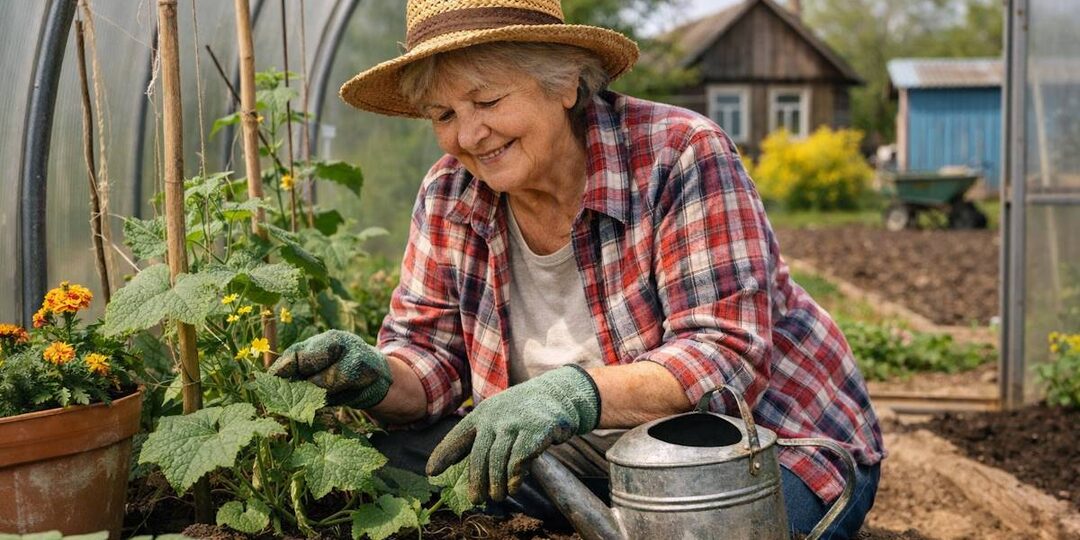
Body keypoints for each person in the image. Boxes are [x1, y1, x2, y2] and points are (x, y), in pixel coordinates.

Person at [270, 0, 886, 536]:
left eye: (486, 100)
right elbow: (430, 360)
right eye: (443, 115)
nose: (469, 134)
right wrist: (376, 376)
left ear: (563, 86)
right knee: (385, 470)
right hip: (563, 458)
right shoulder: (450, 194)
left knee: (705, 521)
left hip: (759, 446)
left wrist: (574, 391)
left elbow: (725, 362)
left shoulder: (679, 155)